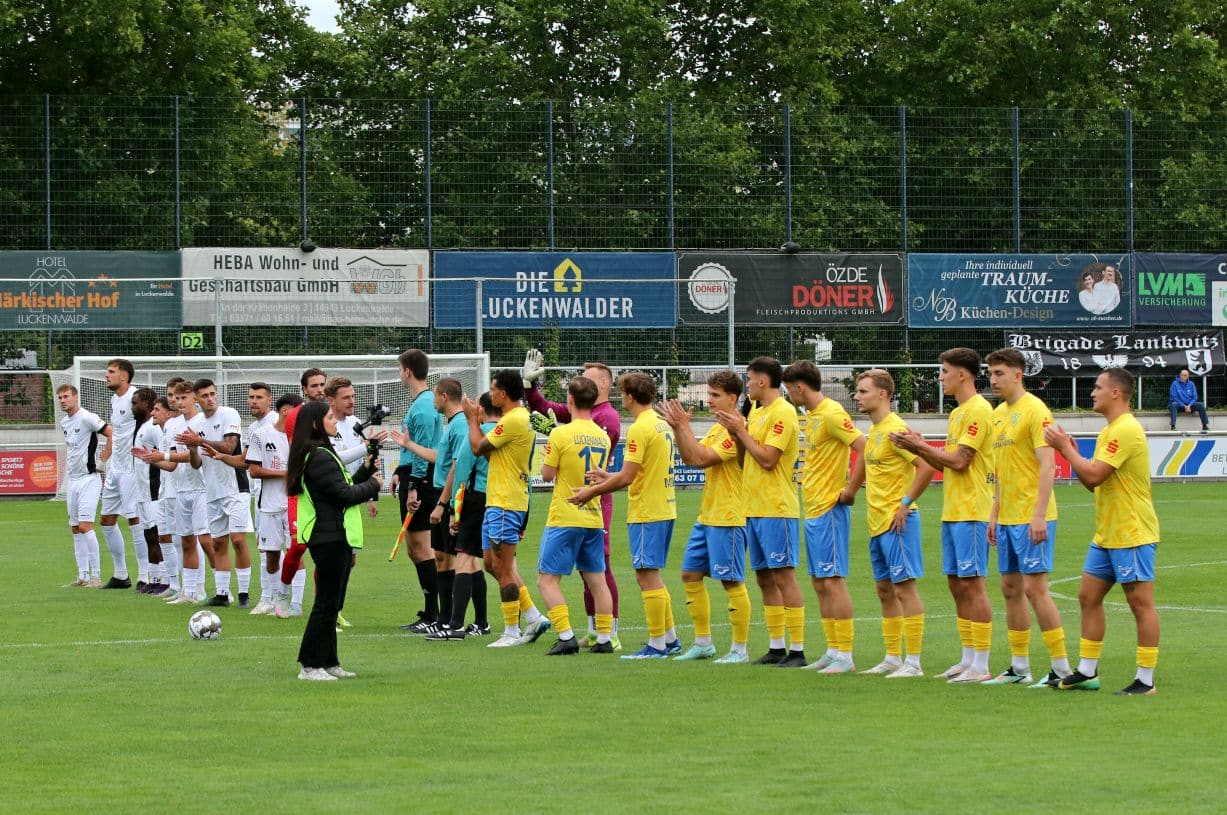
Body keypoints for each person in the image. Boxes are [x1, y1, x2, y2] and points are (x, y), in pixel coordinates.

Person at [1044, 369, 1162, 695]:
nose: (1092, 392)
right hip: (1108, 532)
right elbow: (1093, 483)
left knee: (1141, 604)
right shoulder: (1110, 430)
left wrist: (1065, 451)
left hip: (1132, 531)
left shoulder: (1125, 429)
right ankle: (1087, 671)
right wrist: (1070, 449)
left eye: (1098, 387)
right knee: (1087, 597)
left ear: (1116, 393)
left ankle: (1146, 680)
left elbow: (1094, 475)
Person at [892, 348, 997, 684]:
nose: (940, 377)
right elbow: (943, 463)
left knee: (973, 585)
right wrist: (920, 445)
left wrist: (918, 447)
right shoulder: (958, 413)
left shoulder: (979, 410)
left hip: (973, 510)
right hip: (954, 510)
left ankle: (982, 663)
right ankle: (967, 658)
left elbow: (961, 461)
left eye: (944, 371)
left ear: (963, 374)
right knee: (956, 585)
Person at [570, 372, 679, 660]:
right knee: (653, 575)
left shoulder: (640, 429)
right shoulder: (661, 424)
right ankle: (670, 638)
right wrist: (611, 475)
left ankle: (657, 644)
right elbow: (638, 471)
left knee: (646, 576)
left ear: (629, 397)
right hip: (665, 506)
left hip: (647, 510)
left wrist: (592, 492)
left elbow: (628, 478)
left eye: (622, 393)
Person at [522, 351, 623, 648]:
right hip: (592, 513)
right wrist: (532, 390)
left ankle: (565, 635)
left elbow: (548, 474)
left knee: (546, 580)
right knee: (597, 579)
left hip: (567, 512)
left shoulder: (564, 434)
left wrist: (552, 438)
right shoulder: (601, 434)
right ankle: (604, 636)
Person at [983, 348, 1070, 688]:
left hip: (1033, 517)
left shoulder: (1035, 410)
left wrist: (1038, 516)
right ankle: (1019, 668)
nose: (993, 380)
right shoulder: (997, 415)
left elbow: (1048, 466)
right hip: (1007, 518)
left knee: (1036, 589)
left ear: (1018, 375)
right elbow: (1003, 472)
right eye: (990, 374)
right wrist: (994, 514)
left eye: (1000, 373)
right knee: (1010, 588)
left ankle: (1062, 668)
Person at [714, 356, 807, 668]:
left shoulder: (783, 412)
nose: (747, 385)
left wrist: (741, 432)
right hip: (753, 506)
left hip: (776, 507)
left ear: (764, 381)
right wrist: (736, 433)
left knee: (784, 576)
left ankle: (797, 649)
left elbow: (768, 459)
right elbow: (745, 461)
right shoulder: (755, 411)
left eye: (750, 380)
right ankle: (776, 646)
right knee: (765, 578)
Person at [843, 370, 935, 679]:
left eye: (863, 391)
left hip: (898, 522)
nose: (857, 396)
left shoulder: (897, 430)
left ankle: (914, 662)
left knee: (905, 589)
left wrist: (905, 504)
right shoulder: (874, 434)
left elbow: (926, 467)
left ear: (882, 395)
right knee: (884, 590)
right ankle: (893, 657)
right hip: (877, 523)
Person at [287, 400, 382, 680]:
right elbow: (344, 496)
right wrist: (374, 485)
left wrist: (365, 471)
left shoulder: (318, 453)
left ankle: (329, 661)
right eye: (329, 417)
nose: (334, 421)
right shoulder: (318, 455)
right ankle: (310, 664)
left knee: (331, 601)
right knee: (327, 602)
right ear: (316, 423)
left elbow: (341, 487)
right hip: (329, 536)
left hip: (332, 535)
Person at [662, 371, 752, 664]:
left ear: (733, 399)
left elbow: (700, 459)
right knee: (690, 574)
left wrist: (683, 426)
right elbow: (691, 457)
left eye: (715, 395)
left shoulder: (736, 430)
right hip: (708, 514)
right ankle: (703, 643)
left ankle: (739, 649)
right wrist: (679, 428)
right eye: (709, 394)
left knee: (731, 582)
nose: (709, 399)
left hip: (730, 516)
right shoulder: (716, 429)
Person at [783, 360, 865, 674]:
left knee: (833, 580)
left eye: (790, 390)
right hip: (814, 507)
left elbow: (863, 445)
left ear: (800, 387)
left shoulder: (831, 413)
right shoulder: (813, 416)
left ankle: (846, 654)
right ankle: (833, 649)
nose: (790, 396)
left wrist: (850, 490)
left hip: (830, 508)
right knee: (819, 582)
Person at [461, 369, 549, 648]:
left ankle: (512, 630)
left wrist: (471, 419)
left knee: (503, 566)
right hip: (498, 500)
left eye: (494, 388)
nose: (490, 393)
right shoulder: (515, 420)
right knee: (491, 564)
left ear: (504, 393)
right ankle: (534, 616)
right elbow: (489, 451)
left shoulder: (514, 419)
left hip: (506, 502)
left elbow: (477, 448)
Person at [391, 377, 466, 634]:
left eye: (436, 395)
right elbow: (439, 456)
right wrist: (407, 450)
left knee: (459, 558)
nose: (433, 400)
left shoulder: (451, 422)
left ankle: (449, 619)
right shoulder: (450, 423)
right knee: (445, 556)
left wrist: (436, 499)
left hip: (438, 492)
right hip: (435, 489)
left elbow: (455, 464)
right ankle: (444, 618)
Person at [426, 392, 497, 640]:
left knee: (464, 559)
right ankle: (483, 622)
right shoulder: (512, 433)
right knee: (491, 564)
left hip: (476, 499)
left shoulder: (475, 434)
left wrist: (451, 511)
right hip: (502, 502)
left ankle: (454, 625)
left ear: (481, 410)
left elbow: (461, 473)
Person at [177, 379, 250, 607]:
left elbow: (229, 447)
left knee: (238, 540)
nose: (209, 399)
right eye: (204, 396)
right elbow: (197, 463)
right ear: (196, 400)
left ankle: (244, 595)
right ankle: (221, 594)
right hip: (213, 490)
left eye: (212, 394)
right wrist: (192, 449)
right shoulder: (197, 422)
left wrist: (200, 440)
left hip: (236, 487)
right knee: (218, 543)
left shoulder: (229, 414)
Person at [393, 349, 444, 633]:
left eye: (400, 369)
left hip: (422, 483)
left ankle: (434, 614)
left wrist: (413, 486)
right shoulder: (421, 403)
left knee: (422, 548)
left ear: (407, 371)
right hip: (413, 478)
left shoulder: (424, 407)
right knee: (416, 549)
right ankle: (431, 612)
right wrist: (400, 473)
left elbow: (424, 451)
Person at [274, 367, 327, 617]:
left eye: (322, 385)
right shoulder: (297, 416)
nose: (319, 390)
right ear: (304, 389)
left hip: (328, 491)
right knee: (297, 545)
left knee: (328, 552)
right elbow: (304, 452)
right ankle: (283, 591)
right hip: (303, 488)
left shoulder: (333, 415)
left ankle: (322, 606)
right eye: (314, 385)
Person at [246, 393, 301, 615]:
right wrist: (285, 474)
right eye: (299, 411)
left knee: (296, 550)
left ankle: (294, 603)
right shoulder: (261, 435)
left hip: (295, 503)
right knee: (271, 554)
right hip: (268, 504)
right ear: (287, 411)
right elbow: (254, 470)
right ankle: (268, 599)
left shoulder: (301, 438)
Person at [57, 384, 111, 588]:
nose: (63, 400)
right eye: (60, 397)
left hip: (89, 479)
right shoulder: (65, 422)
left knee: (85, 526)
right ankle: (82, 575)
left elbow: (111, 433)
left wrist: (104, 458)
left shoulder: (88, 417)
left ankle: (96, 577)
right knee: (75, 528)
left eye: (66, 396)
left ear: (75, 397)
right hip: (72, 480)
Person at [98, 358, 141, 590]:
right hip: (116, 468)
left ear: (124, 376)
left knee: (135, 519)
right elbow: (117, 432)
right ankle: (121, 574)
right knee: (106, 519)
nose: (107, 375)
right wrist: (107, 452)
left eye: (111, 371)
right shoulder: (115, 399)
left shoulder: (136, 397)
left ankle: (146, 575)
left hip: (132, 468)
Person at [129, 388, 167, 594]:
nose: (132, 406)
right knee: (148, 536)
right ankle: (153, 579)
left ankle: (164, 579)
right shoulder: (141, 426)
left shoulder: (153, 428)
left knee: (157, 535)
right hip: (142, 492)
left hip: (154, 490)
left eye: (135, 403)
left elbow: (163, 453)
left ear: (146, 403)